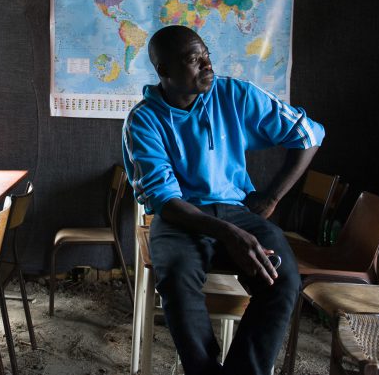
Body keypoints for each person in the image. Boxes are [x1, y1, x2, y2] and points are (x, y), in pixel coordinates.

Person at [122, 25, 324, 375]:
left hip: (237, 210)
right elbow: (165, 201)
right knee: (177, 278)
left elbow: (308, 134)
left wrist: (273, 196)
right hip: (180, 217)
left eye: (207, 57)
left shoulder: (235, 95)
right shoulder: (143, 121)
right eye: (193, 60)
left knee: (282, 279)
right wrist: (229, 234)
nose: (207, 66)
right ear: (164, 71)